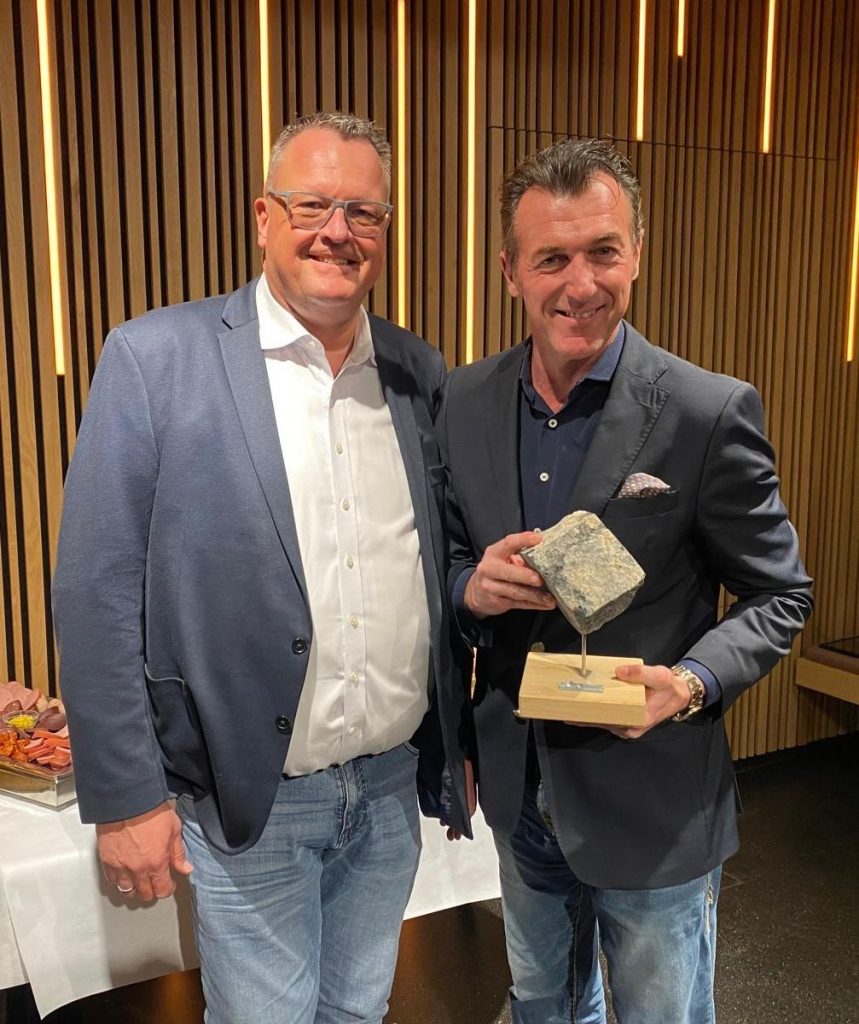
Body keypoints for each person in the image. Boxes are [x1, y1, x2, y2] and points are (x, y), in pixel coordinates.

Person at [52, 111, 472, 1024]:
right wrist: (126, 801)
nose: (336, 232)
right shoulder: (155, 359)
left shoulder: (417, 371)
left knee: (357, 1011)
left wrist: (457, 742)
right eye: (311, 205)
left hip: (389, 783)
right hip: (250, 795)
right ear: (263, 217)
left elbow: (431, 562)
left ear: (385, 228)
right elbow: (94, 591)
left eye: (362, 212)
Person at [438, 137, 813, 1024]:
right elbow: (448, 560)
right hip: (519, 789)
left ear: (636, 253)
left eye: (602, 251)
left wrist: (688, 682)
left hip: (652, 800)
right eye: (551, 259)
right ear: (509, 272)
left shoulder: (704, 410)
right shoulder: (463, 400)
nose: (581, 284)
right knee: (543, 1004)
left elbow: (780, 594)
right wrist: (469, 589)